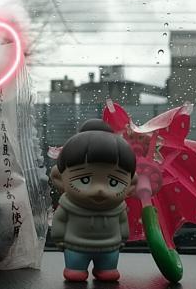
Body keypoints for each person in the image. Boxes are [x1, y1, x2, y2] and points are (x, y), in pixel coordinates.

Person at [50, 119, 137, 282]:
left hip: (110, 247)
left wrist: (123, 238)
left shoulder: (118, 208)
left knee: (108, 270)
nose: (99, 189)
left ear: (131, 185)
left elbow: (122, 223)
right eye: (84, 180)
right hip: (75, 246)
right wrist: (59, 238)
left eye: (113, 182)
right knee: (75, 271)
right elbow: (60, 221)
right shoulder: (67, 206)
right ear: (59, 179)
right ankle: (76, 268)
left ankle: (106, 268)